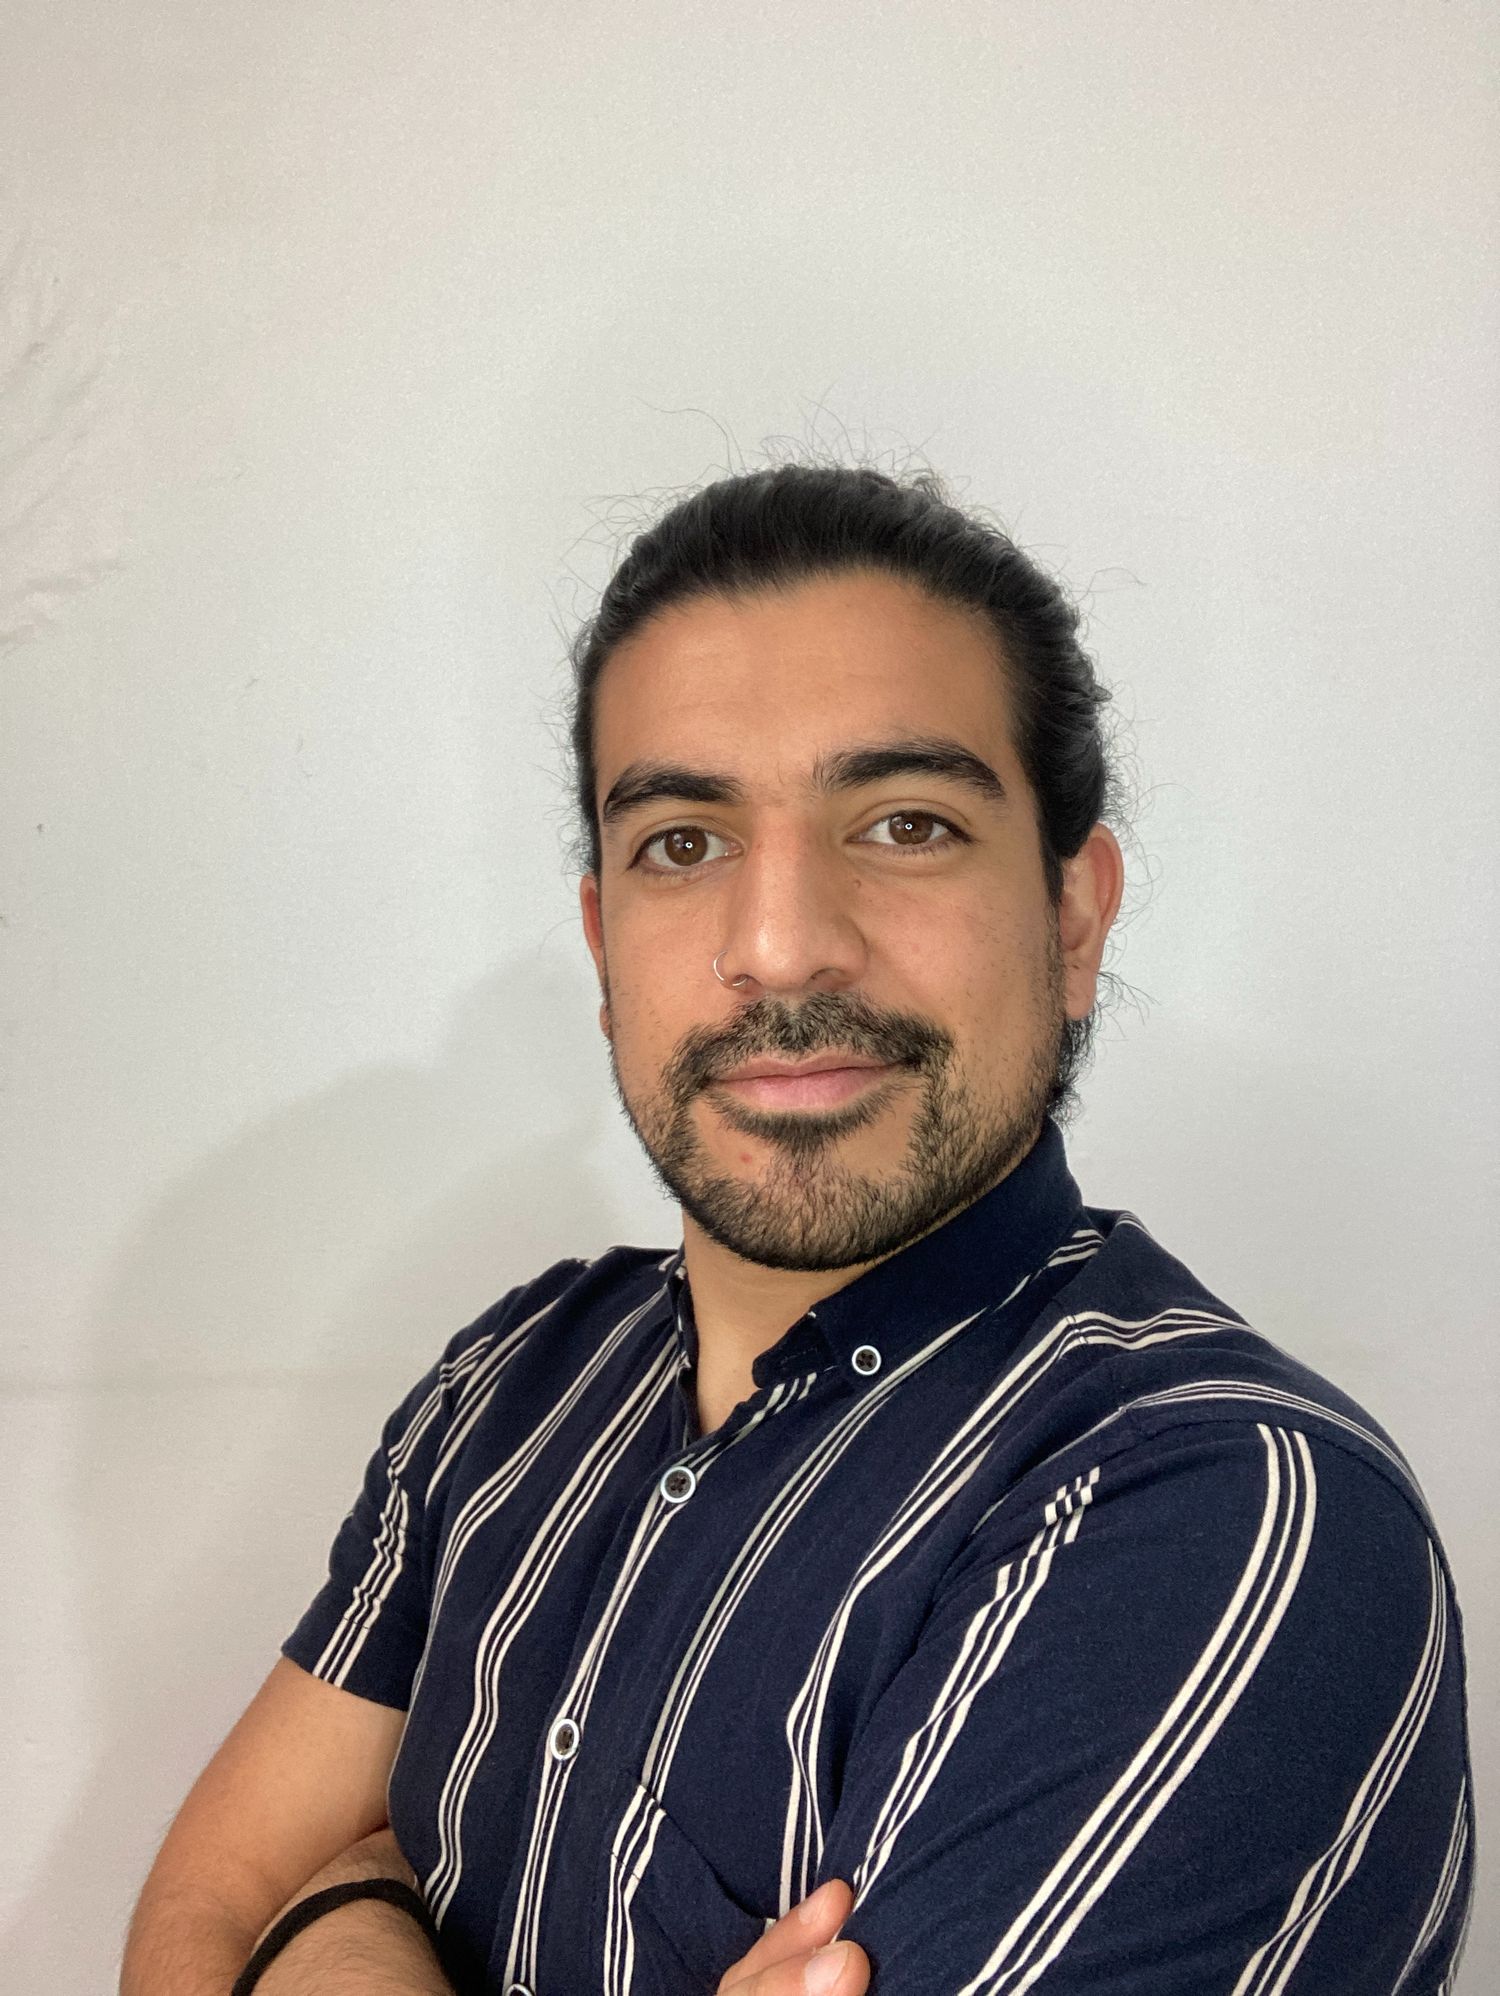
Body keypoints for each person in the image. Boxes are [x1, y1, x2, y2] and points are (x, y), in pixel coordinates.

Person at [121, 464, 1474, 1996]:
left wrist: (349, 1902)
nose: (778, 945)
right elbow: (211, 1901)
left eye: (904, 822)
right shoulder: (511, 1385)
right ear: (602, 942)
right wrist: (330, 1910)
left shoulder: (1223, 1508)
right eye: (682, 843)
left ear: (1074, 916)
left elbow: (269, 1904)